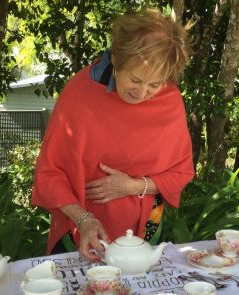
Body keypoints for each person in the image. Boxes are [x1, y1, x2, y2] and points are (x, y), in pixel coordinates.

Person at [32, 8, 195, 262]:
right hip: (81, 229)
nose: (142, 93)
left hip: (145, 231)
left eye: (154, 85)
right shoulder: (80, 93)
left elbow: (181, 173)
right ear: (117, 59)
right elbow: (49, 174)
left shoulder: (170, 100)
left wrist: (133, 186)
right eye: (135, 80)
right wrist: (83, 219)